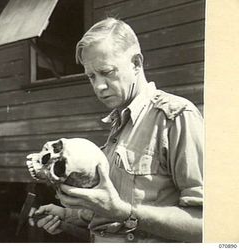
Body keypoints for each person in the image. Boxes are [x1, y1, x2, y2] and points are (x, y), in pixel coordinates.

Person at [29, 17, 203, 243]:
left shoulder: (175, 118)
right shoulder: (118, 124)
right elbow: (113, 212)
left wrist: (123, 212)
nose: (99, 86)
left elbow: (204, 224)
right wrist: (69, 217)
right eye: (91, 76)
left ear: (136, 63)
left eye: (107, 71)